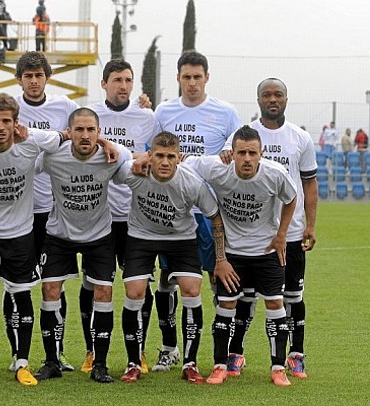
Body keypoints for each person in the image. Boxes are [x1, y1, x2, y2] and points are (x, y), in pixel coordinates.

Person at [0, 93, 71, 387]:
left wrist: (29, 133)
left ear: (16, 123)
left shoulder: (30, 144)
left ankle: (22, 362)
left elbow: (60, 137)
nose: (0, 127)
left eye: (7, 121)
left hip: (21, 234)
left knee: (22, 297)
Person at [220, 78, 317, 380]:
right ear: (258, 99)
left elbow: (309, 184)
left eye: (278, 94)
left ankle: (295, 355)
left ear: (287, 99)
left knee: (292, 297)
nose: (272, 99)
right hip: (255, 236)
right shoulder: (245, 136)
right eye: (266, 95)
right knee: (245, 297)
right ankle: (236, 353)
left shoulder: (300, 138)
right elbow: (226, 165)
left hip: (290, 232)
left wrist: (310, 225)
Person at [185, 125, 298, 387]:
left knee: (275, 305)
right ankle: (219, 366)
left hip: (266, 251)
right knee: (226, 306)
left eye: (252, 153)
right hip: (232, 253)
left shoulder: (275, 174)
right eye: (241, 152)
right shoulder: (215, 167)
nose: (247, 158)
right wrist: (221, 259)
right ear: (231, 153)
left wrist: (282, 234)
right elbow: (184, 162)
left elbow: (291, 199)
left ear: (262, 153)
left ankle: (278, 367)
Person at [151, 50, 241, 372]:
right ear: (178, 78)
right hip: (173, 208)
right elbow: (153, 153)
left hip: (211, 209)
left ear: (206, 78)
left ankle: (223, 353)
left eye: (197, 77)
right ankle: (169, 346)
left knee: (218, 277)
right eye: (186, 77)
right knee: (168, 278)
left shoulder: (226, 112)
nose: (192, 83)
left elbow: (236, 151)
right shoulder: (163, 111)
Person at [115, 131, 224, 384]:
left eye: (171, 157)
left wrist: (220, 259)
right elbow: (113, 167)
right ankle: (133, 362)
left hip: (181, 239)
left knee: (191, 288)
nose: (165, 162)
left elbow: (215, 216)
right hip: (141, 236)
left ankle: (190, 363)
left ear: (179, 158)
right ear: (150, 156)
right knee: (134, 292)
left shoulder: (192, 182)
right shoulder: (135, 172)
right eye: (160, 156)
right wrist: (132, 160)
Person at [34, 107, 131, 384]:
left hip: (100, 235)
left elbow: (132, 163)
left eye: (91, 130)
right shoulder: (53, 156)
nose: (85, 135)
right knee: (50, 290)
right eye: (79, 130)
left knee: (103, 292)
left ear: (99, 133)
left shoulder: (110, 156)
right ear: (70, 132)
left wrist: (112, 146)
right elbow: (26, 154)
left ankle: (99, 363)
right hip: (59, 235)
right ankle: (52, 361)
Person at [80, 59, 158, 374]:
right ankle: (90, 351)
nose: (122, 86)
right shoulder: (90, 114)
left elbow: (158, 154)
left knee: (139, 285)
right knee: (92, 284)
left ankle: (138, 350)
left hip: (137, 216)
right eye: (116, 80)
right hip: (98, 216)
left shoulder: (147, 116)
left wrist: (130, 153)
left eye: (127, 80)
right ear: (104, 84)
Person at [14, 51, 80, 373]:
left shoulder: (65, 107)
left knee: (55, 282)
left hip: (53, 210)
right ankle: (18, 352)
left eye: (39, 75)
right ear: (20, 79)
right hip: (19, 211)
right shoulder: (10, 109)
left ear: (47, 77)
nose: (34, 81)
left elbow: (84, 135)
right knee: (18, 282)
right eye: (28, 76)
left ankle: (59, 351)